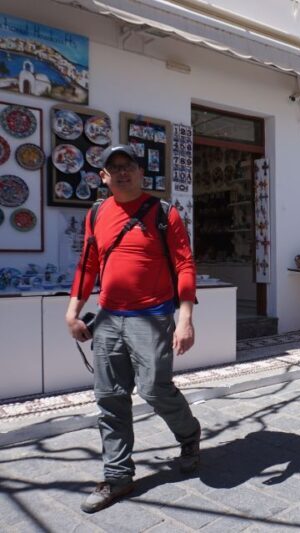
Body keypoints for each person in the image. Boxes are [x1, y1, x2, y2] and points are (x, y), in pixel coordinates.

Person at [65, 145, 201, 513]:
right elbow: (88, 264)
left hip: (153, 316)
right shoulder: (96, 214)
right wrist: (73, 310)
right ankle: (118, 476)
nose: (122, 173)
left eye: (129, 166)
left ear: (141, 173)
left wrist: (185, 318)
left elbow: (185, 265)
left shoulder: (164, 213)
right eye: (114, 168)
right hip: (108, 318)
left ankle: (189, 435)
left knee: (155, 389)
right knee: (109, 399)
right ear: (104, 177)